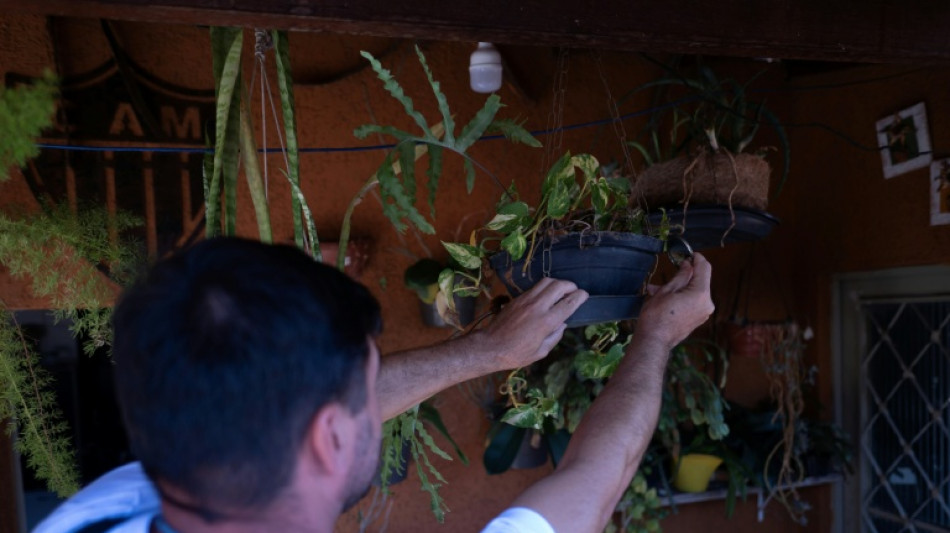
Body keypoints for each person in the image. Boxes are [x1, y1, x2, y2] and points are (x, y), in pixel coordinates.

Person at [34, 237, 713, 533]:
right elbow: (599, 477)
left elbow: (302, 408)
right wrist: (656, 336)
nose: (377, 397)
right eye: (368, 383)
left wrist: (483, 350)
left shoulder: (97, 511)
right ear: (328, 434)